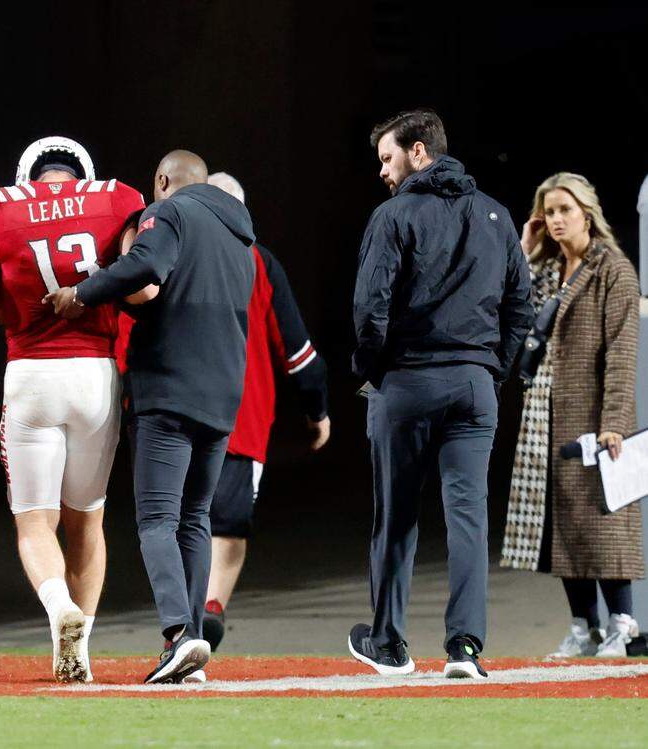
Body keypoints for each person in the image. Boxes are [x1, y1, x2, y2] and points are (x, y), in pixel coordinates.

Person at [46, 150, 256, 684]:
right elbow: (173, 296)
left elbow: (144, 268)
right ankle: (192, 648)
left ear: (162, 180)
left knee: (157, 519)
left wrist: (82, 294)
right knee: (196, 518)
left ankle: (178, 635)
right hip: (223, 392)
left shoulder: (171, 212)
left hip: (169, 386)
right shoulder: (239, 231)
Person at [348, 109, 532, 679]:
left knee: (396, 516)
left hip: (408, 381)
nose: (382, 170)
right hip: (474, 386)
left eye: (388, 158)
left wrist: (372, 369)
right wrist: (490, 371)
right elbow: (520, 308)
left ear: (419, 152)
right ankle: (465, 650)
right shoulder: (498, 216)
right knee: (470, 518)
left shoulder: (393, 214)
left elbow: (369, 309)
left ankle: (388, 645)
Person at [0, 136, 146, 682]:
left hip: (32, 373)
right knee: (87, 521)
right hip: (95, 373)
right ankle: (83, 641)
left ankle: (58, 608)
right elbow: (140, 287)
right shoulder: (117, 199)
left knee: (34, 522)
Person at [502, 173, 642, 657]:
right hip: (545, 412)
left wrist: (615, 422)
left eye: (565, 209)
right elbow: (510, 312)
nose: (557, 219)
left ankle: (622, 622)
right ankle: (584, 626)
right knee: (560, 525)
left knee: (604, 519)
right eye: (550, 211)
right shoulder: (546, 270)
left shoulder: (613, 270)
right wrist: (524, 250)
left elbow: (622, 352)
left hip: (592, 413)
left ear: (587, 211)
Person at [198, 172, 331, 654]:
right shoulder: (257, 262)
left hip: (172, 418)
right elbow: (299, 353)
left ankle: (182, 617)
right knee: (227, 525)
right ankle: (208, 608)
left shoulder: (165, 252)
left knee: (172, 520)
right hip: (240, 421)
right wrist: (317, 409)